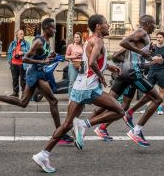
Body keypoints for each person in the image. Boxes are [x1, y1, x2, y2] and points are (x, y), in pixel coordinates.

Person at [32, 14, 125, 173]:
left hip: (80, 87)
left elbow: (89, 61)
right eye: (106, 23)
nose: (108, 26)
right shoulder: (98, 40)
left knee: (67, 124)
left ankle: (43, 154)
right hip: (89, 88)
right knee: (119, 111)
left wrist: (108, 67)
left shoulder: (89, 39)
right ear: (98, 26)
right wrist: (102, 77)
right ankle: (84, 124)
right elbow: (91, 62)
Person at [0, 18, 74, 144]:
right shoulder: (38, 42)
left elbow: (41, 56)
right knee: (53, 101)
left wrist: (50, 57)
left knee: (23, 102)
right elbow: (25, 58)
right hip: (34, 74)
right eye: (53, 28)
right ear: (46, 28)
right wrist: (42, 61)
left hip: (39, 73)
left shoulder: (46, 40)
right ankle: (59, 134)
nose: (55, 31)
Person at [110, 15, 164, 147]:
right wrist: (143, 54)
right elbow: (122, 44)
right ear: (147, 24)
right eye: (153, 24)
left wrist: (150, 57)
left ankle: (85, 125)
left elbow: (137, 57)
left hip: (130, 73)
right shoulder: (142, 32)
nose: (154, 27)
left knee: (112, 104)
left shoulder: (143, 37)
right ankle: (136, 130)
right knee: (157, 99)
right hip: (133, 74)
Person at [146, 32, 164, 115]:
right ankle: (147, 108)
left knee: (161, 90)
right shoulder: (153, 47)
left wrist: (162, 60)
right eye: (157, 37)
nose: (158, 39)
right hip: (152, 70)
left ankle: (160, 107)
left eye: (160, 37)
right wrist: (152, 58)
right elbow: (147, 57)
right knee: (148, 90)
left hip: (162, 71)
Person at [7, 29, 30, 98]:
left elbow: (29, 53)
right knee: (14, 79)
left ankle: (23, 93)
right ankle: (15, 92)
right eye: (21, 34)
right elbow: (9, 52)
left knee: (23, 80)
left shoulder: (26, 43)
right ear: (16, 35)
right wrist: (10, 61)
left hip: (22, 64)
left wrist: (23, 53)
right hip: (13, 63)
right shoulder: (13, 43)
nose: (22, 35)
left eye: (23, 34)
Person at [65, 32, 83, 96]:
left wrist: (82, 56)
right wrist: (74, 57)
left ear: (80, 38)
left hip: (82, 65)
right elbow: (66, 56)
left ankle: (79, 97)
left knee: (81, 82)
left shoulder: (83, 46)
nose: (76, 38)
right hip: (73, 64)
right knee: (72, 82)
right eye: (75, 37)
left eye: (78, 37)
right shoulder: (71, 46)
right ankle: (70, 98)